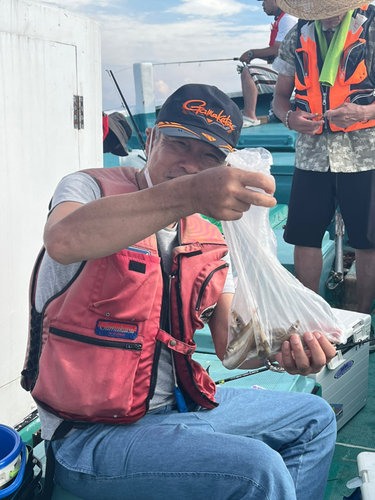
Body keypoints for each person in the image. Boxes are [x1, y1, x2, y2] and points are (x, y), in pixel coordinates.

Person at [22, 83, 337, 500]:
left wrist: (283, 353)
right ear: (150, 139)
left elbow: (233, 346)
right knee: (258, 471)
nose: (190, 166)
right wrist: (187, 194)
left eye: (209, 156)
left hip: (181, 407)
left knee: (315, 417)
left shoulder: (208, 236)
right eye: (178, 145)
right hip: (91, 436)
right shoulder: (87, 188)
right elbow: (63, 239)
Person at [273, 0, 375, 315]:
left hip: (365, 157)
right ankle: (309, 316)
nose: (325, 17)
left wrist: (364, 111)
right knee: (304, 237)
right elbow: (278, 99)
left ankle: (363, 317)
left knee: (367, 242)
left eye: (331, 8)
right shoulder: (297, 36)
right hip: (311, 157)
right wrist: (289, 119)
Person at [238, 0, 297, 127]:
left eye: (265, 0)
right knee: (250, 69)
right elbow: (277, 55)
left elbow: (277, 50)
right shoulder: (282, 19)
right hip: (287, 69)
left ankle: (249, 116)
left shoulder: (287, 19)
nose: (262, 4)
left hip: (291, 73)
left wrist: (251, 53)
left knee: (249, 71)